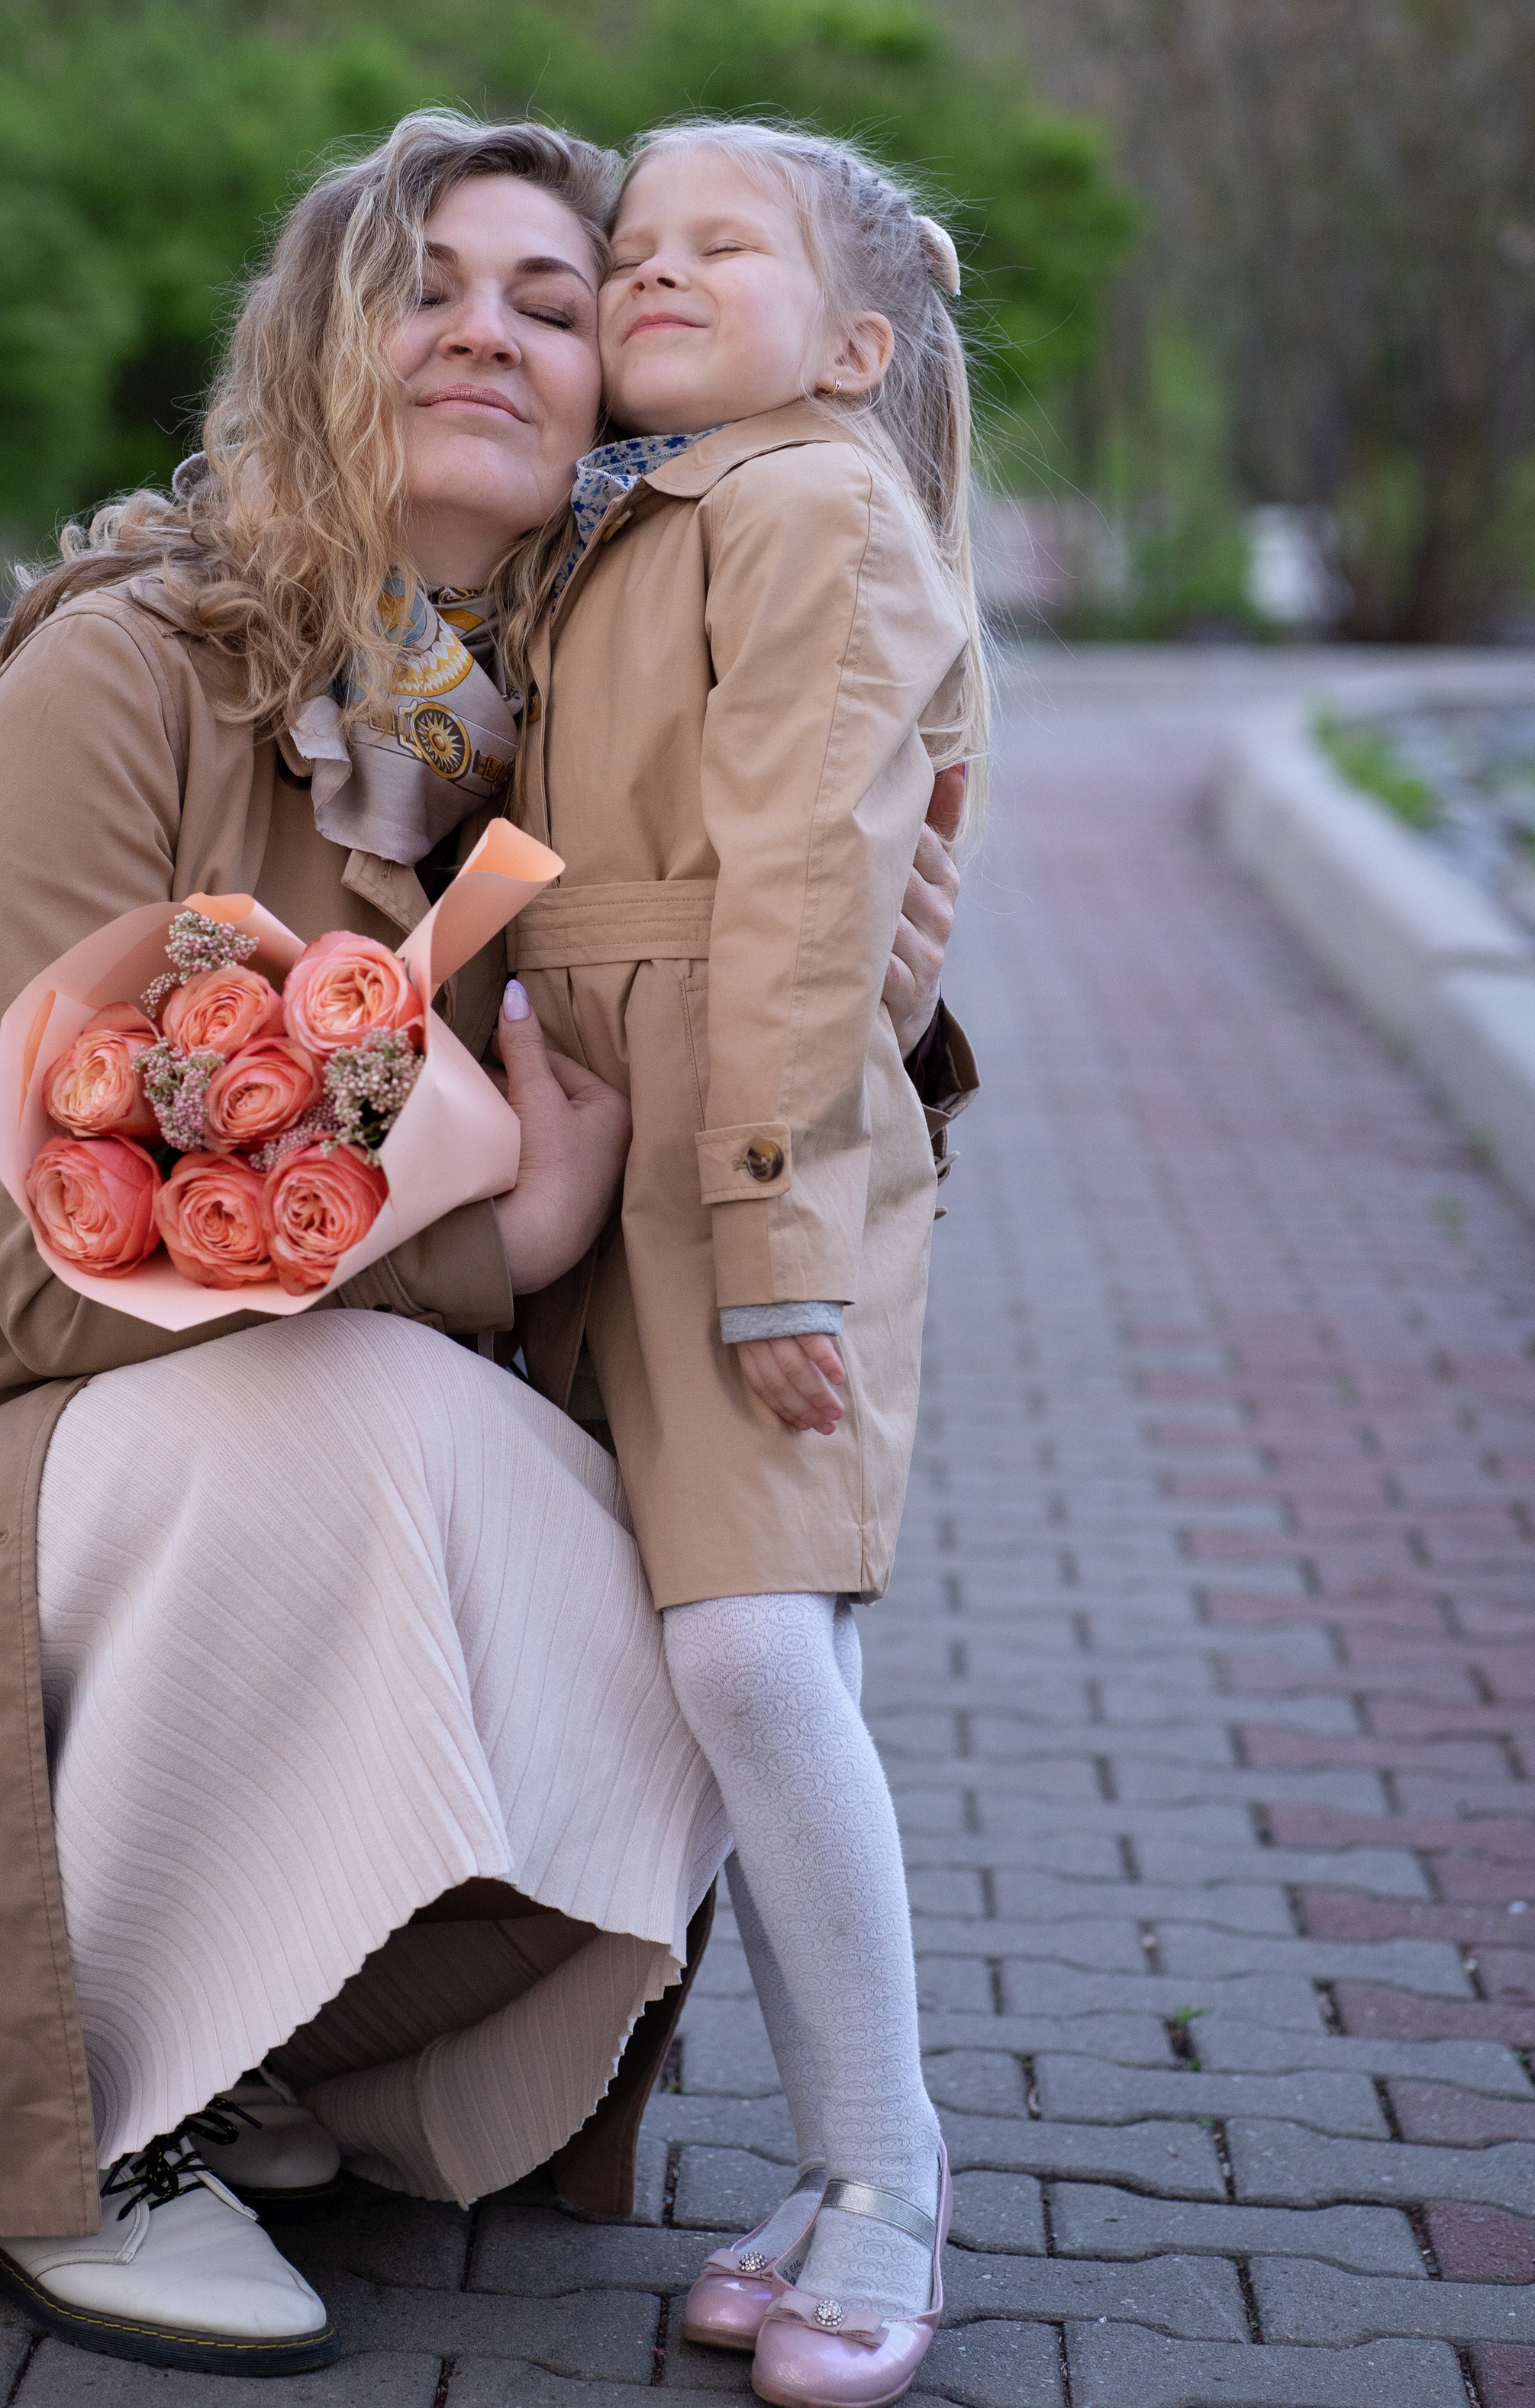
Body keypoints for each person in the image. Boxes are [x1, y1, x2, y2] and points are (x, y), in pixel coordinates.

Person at [0, 113, 969, 2380]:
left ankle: (255, 2044)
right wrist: (492, 1237)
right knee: (363, 1418)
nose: (497, 335)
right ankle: (40, 2120)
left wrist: (877, 1020)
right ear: (321, 345)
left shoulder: (531, 765)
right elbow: (59, 1284)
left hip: (214, 1455)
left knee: (683, 1620)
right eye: (432, 284)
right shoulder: (118, 673)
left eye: (555, 300)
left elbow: (697, 1127)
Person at [507, 121, 983, 2407]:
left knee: (754, 1655)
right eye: (634, 249)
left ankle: (891, 2173)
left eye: (724, 247)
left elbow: (808, 881)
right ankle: (832, 2159)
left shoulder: (806, 510)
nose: (654, 271)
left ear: (856, 341)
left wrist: (777, 1232)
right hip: (633, 1097)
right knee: (750, 1658)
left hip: (741, 1136)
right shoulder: (658, 512)